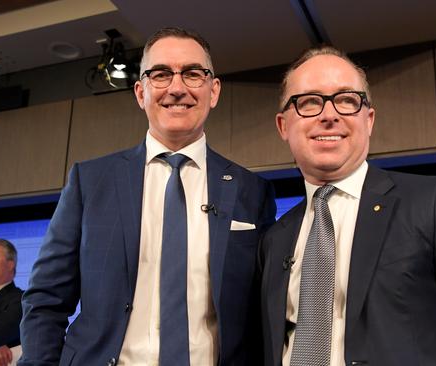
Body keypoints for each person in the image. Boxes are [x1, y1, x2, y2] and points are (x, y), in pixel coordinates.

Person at [19, 27, 276, 366]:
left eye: (193, 74)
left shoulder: (251, 191)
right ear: (140, 92)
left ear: (214, 91)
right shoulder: (90, 181)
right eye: (161, 74)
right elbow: (45, 299)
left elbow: (261, 313)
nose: (177, 87)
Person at [259, 45, 436, 366]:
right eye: (309, 102)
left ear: (368, 119)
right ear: (283, 126)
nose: (329, 115)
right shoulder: (275, 238)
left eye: (346, 100)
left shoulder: (433, 202)